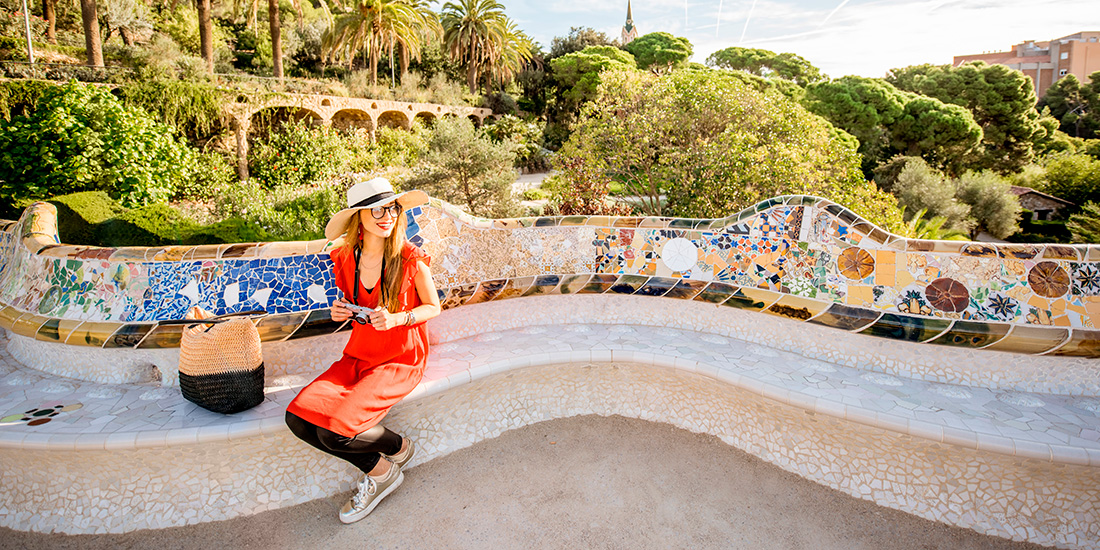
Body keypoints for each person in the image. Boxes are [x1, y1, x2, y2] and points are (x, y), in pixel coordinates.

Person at [285, 176, 440, 524]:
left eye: (393, 208)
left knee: (335, 430)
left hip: (400, 357)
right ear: (360, 218)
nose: (387, 216)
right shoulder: (344, 258)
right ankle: (394, 454)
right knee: (297, 418)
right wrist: (341, 312)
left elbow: (433, 307)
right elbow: (354, 303)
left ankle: (384, 470)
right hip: (358, 355)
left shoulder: (411, 259)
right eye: (377, 210)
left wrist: (399, 319)